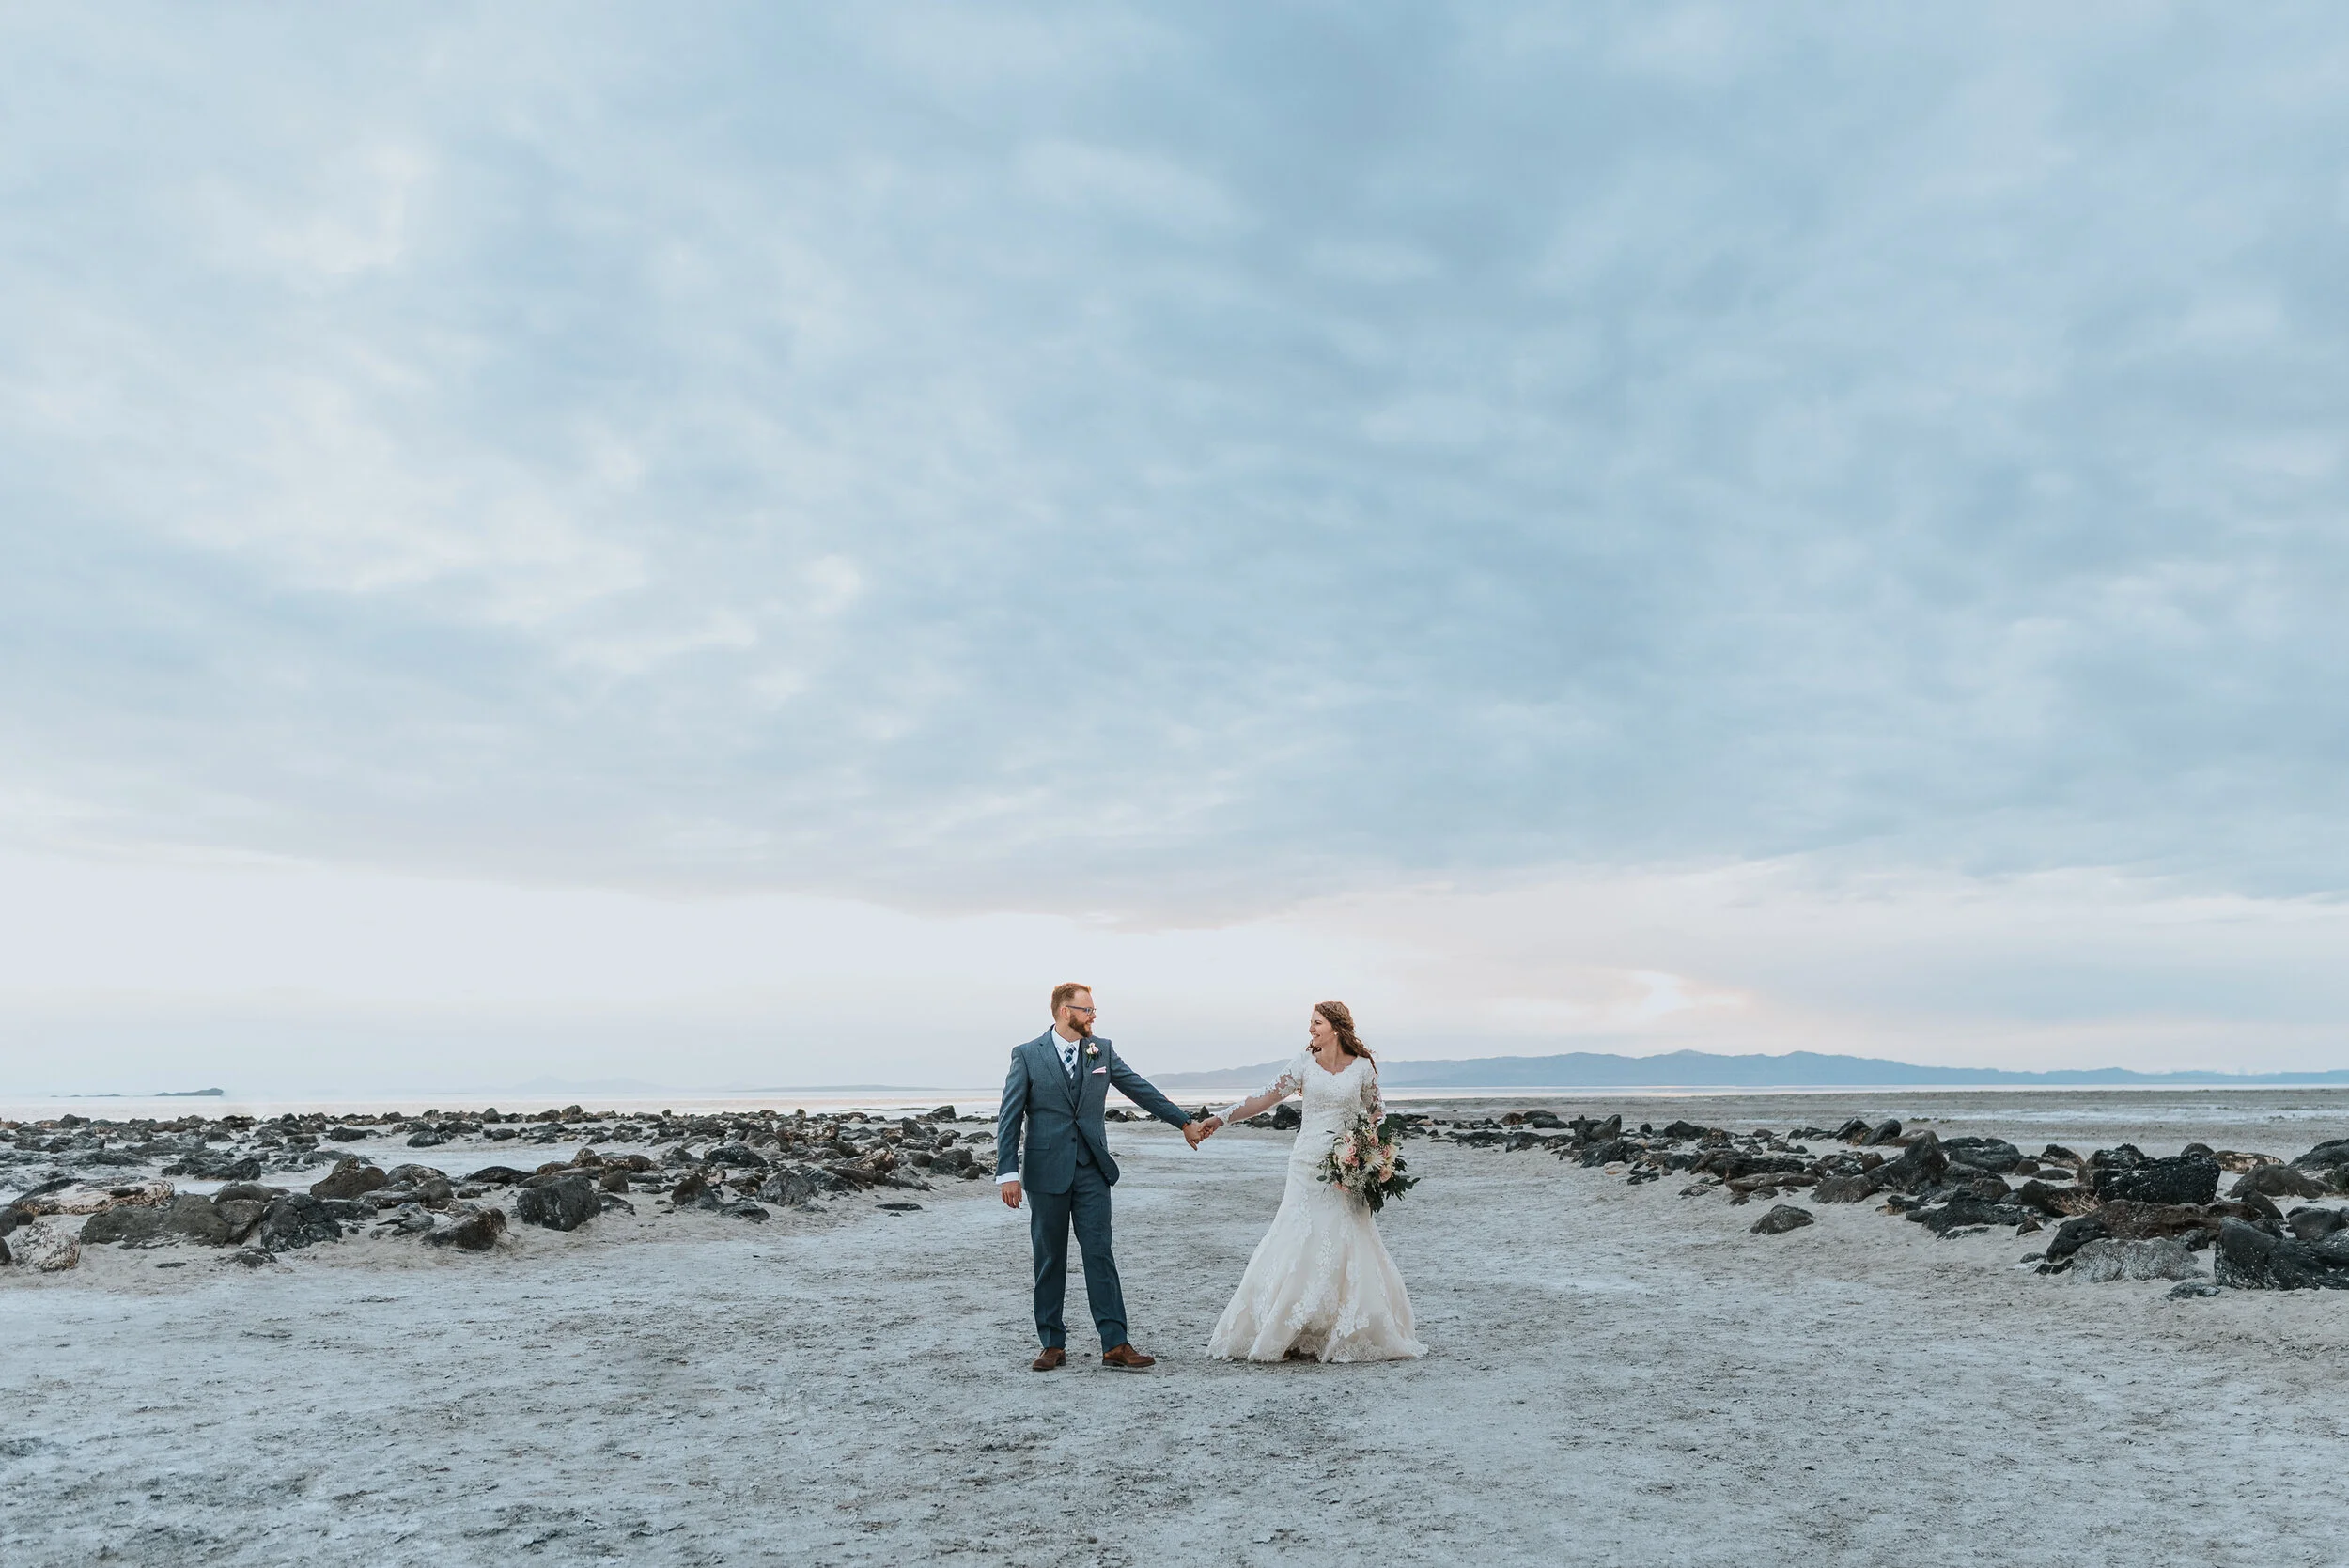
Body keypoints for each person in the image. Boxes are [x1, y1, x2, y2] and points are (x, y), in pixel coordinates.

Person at [996, 983, 1215, 1371]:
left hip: (1092, 1169)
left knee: (1100, 1253)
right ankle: (1051, 1343)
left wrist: (1183, 1121)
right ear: (1065, 1012)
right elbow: (1010, 1116)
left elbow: (1139, 1090)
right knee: (1049, 1258)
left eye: (1093, 1010)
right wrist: (1007, 1172)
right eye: (1087, 1010)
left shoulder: (1102, 1050)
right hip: (1045, 1172)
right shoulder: (1028, 1055)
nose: (1093, 1016)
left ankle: (1115, 1343)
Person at [1193, 1000, 1425, 1362]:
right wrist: (1220, 1118)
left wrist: (1373, 1151)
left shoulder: (1363, 1069)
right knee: (1297, 1236)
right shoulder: (1303, 1064)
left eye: (1316, 1023)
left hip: (1348, 1166)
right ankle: (1290, 1324)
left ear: (1335, 1027)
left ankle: (1339, 1325)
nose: (1311, 1029)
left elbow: (1378, 1113)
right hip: (1306, 1165)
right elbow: (1263, 1099)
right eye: (1310, 1024)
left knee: (1348, 1237)